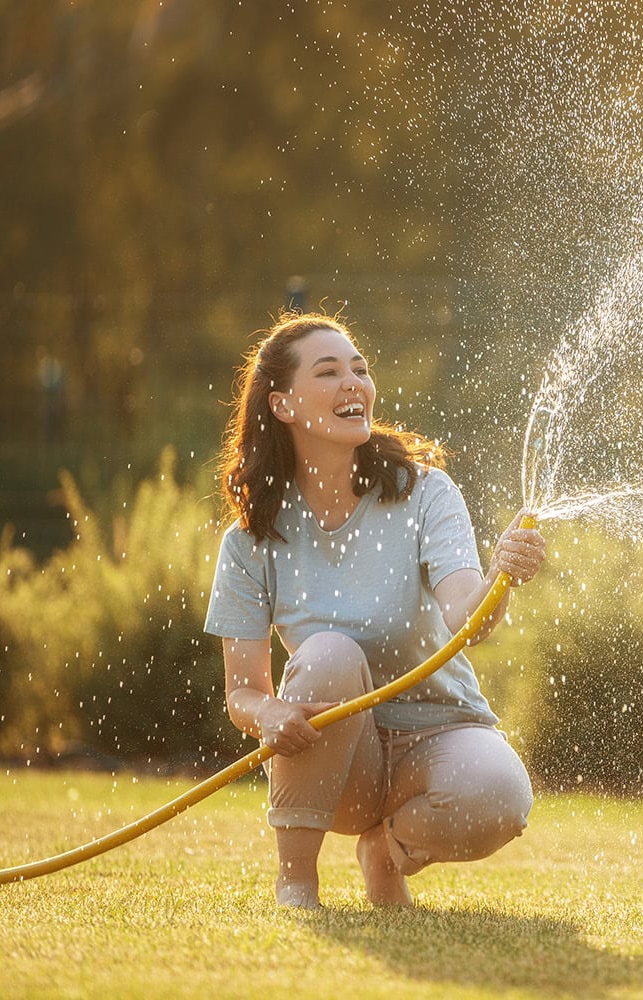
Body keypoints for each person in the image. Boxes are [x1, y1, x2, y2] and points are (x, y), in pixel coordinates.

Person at [204, 313, 545, 909]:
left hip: (440, 731)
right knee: (329, 654)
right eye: (330, 371)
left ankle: (385, 853)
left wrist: (499, 579)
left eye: (360, 370)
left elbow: (468, 616)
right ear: (283, 405)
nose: (354, 384)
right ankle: (297, 881)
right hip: (338, 766)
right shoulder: (250, 540)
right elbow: (242, 694)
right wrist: (271, 715)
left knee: (501, 796)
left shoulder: (426, 493)